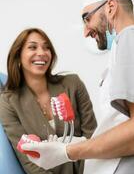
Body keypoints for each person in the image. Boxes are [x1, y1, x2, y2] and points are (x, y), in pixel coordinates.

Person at [21, 0, 134, 174]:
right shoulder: (121, 46)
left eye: (87, 18)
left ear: (111, 7)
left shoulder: (128, 39)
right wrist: (80, 143)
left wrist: (67, 151)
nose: (85, 31)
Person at [0, 27, 97, 174]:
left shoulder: (73, 84)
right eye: (32, 47)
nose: (41, 53)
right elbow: (28, 160)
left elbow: (93, 136)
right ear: (18, 55)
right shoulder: (8, 102)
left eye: (47, 48)